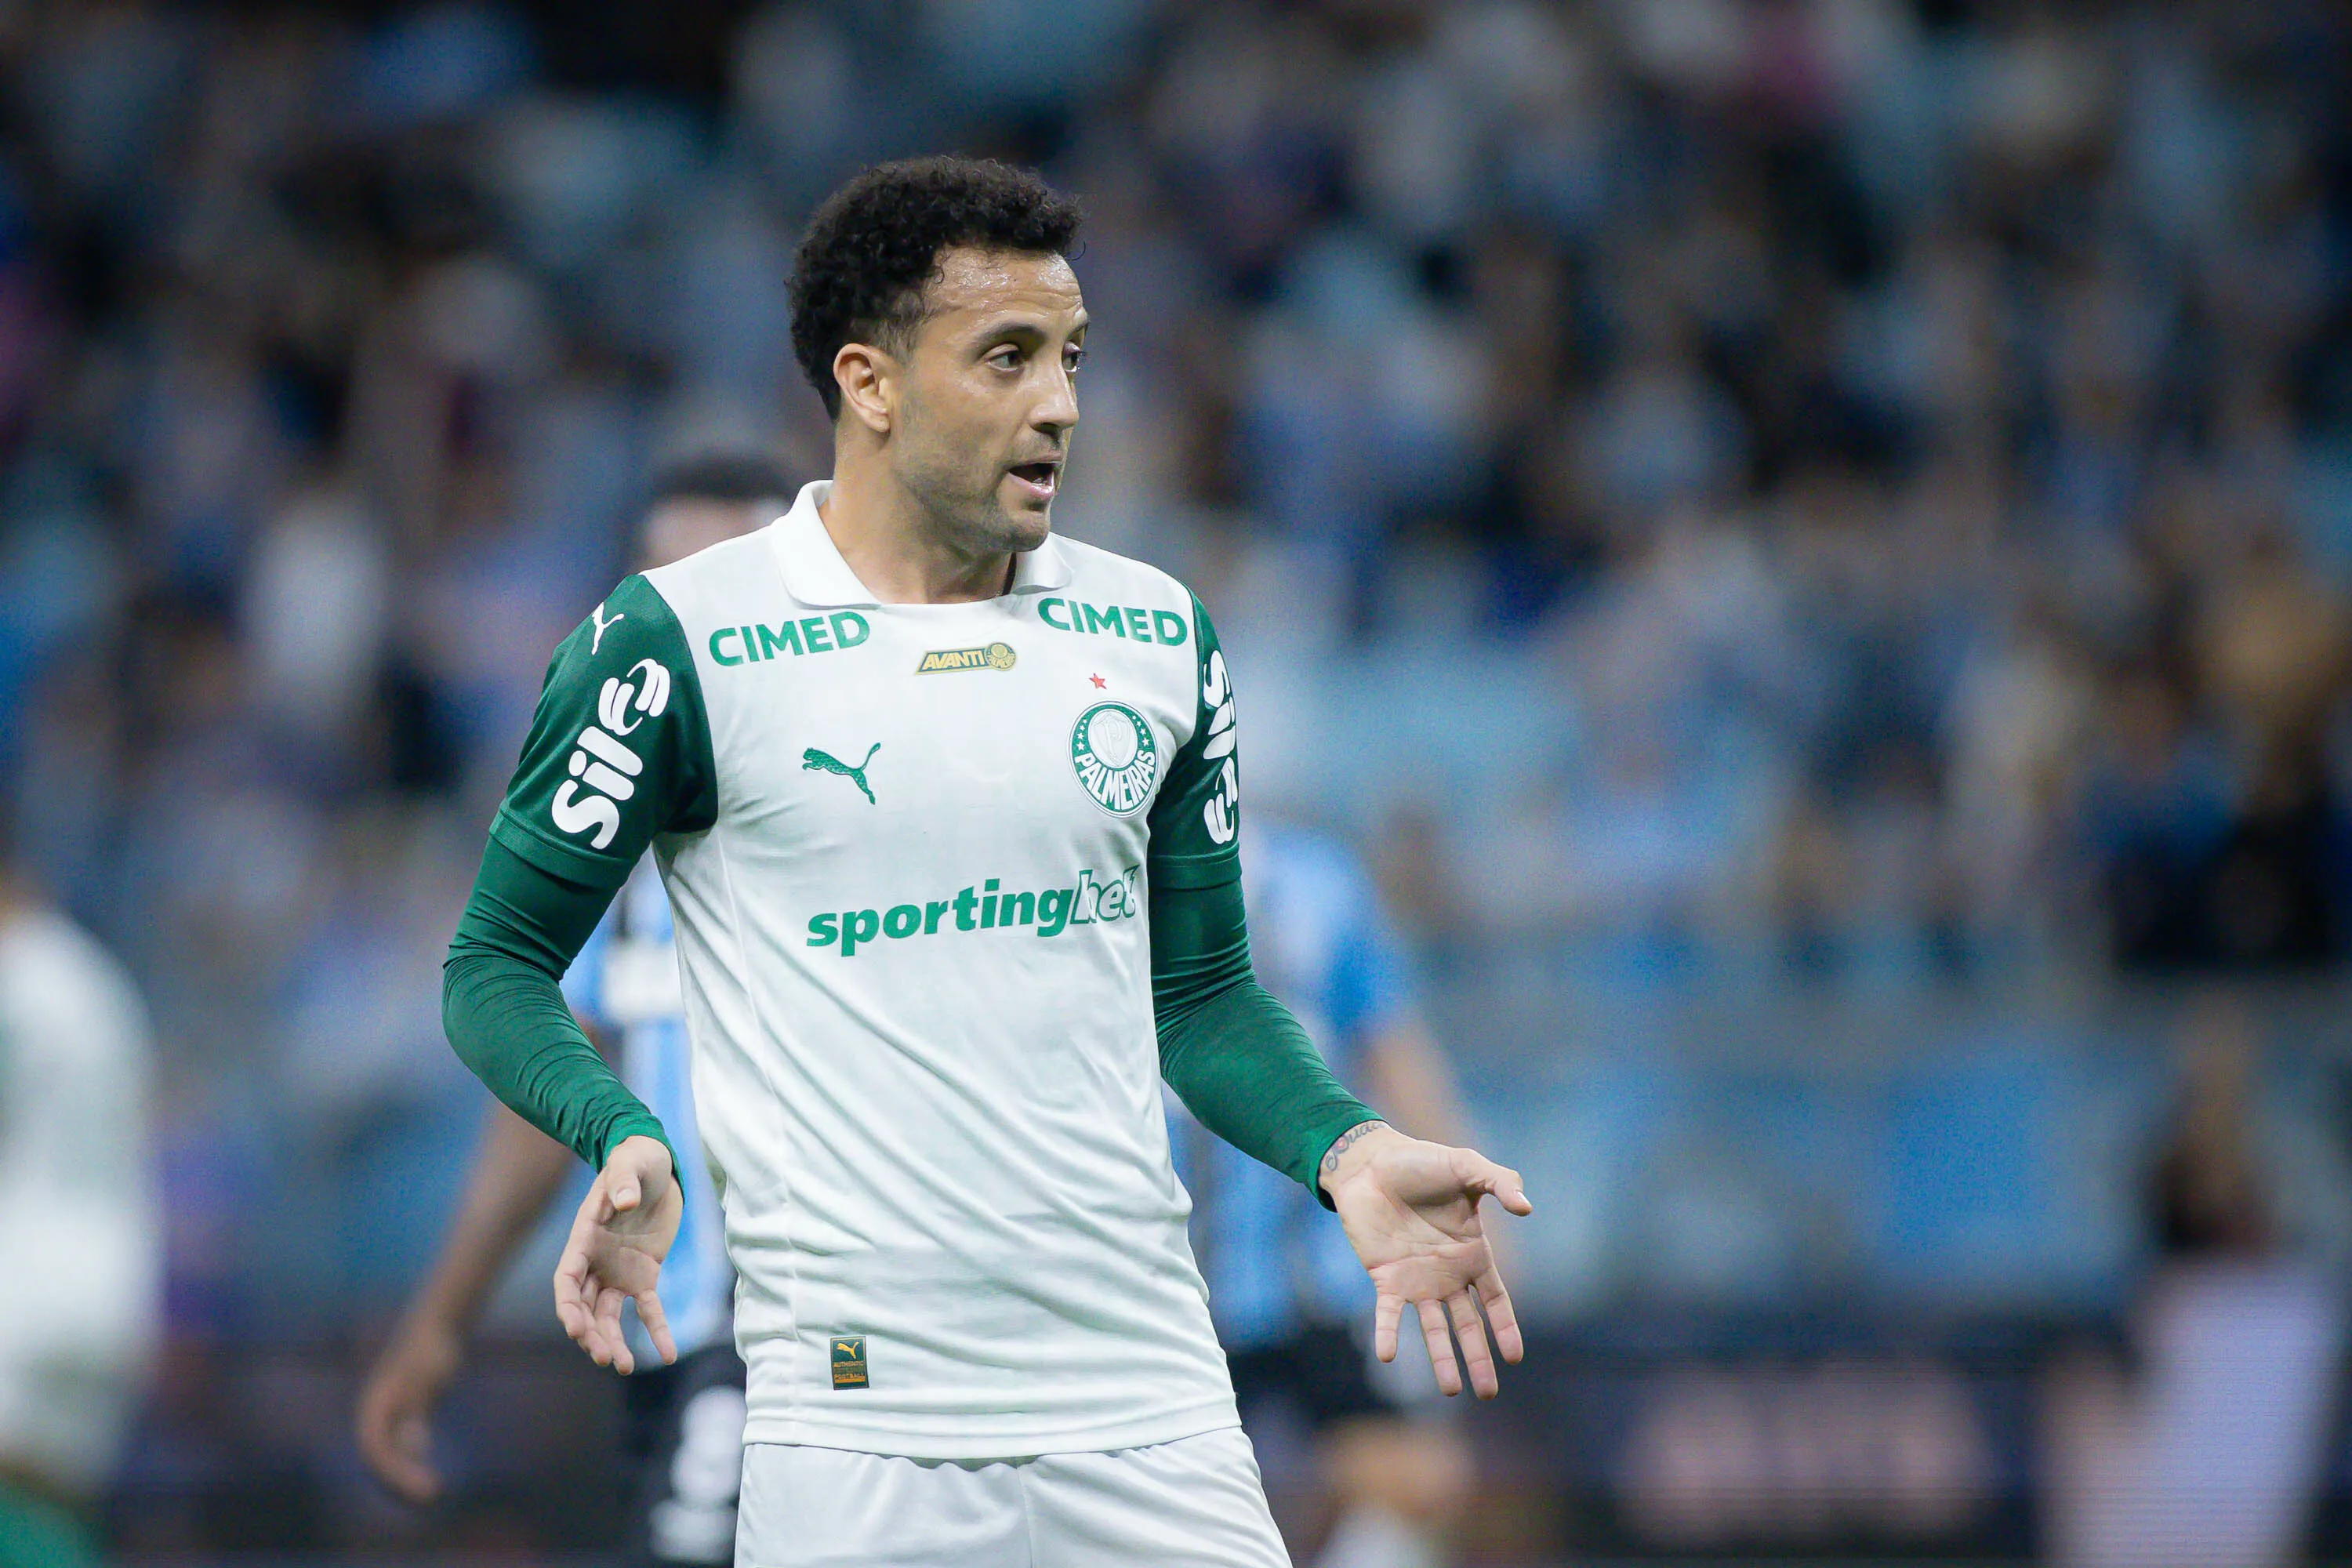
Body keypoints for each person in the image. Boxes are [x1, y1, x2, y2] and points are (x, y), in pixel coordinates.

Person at [440, 156, 1530, 1568]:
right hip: (851, 1420)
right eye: (1006, 358)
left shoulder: (1156, 640)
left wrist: (1348, 1147)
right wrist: (619, 1128)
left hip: (1151, 1396)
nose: (1061, 403)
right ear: (870, 382)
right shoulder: (672, 643)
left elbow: (1198, 1001)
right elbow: (495, 966)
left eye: (1071, 357)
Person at [357, 452, 795, 1565]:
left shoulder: (862, 820)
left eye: (724, 583)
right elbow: (557, 1082)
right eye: (662, 584)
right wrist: (444, 1317)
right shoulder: (623, 855)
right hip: (674, 1346)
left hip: (807, 1344)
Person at [1175, 816, 1479, 1568]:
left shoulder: (1321, 881)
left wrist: (1467, 1212)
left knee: (1419, 1483)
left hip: (1316, 1270)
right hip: (1172, 1273)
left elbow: (1392, 1046)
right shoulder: (1104, 875)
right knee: (1156, 1501)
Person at [0, 831, 158, 1568]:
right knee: (53, 1500)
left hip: (25, 1281)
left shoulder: (21, 978)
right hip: (108, 1280)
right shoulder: (91, 977)